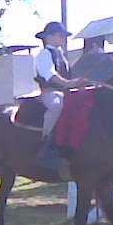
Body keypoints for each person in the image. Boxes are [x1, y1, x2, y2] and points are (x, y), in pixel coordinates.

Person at [34, 21, 89, 169]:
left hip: (66, 92)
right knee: (57, 105)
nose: (63, 38)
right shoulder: (45, 54)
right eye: (60, 35)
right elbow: (50, 76)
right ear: (49, 36)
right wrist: (71, 84)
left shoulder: (61, 55)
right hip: (50, 92)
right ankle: (46, 145)